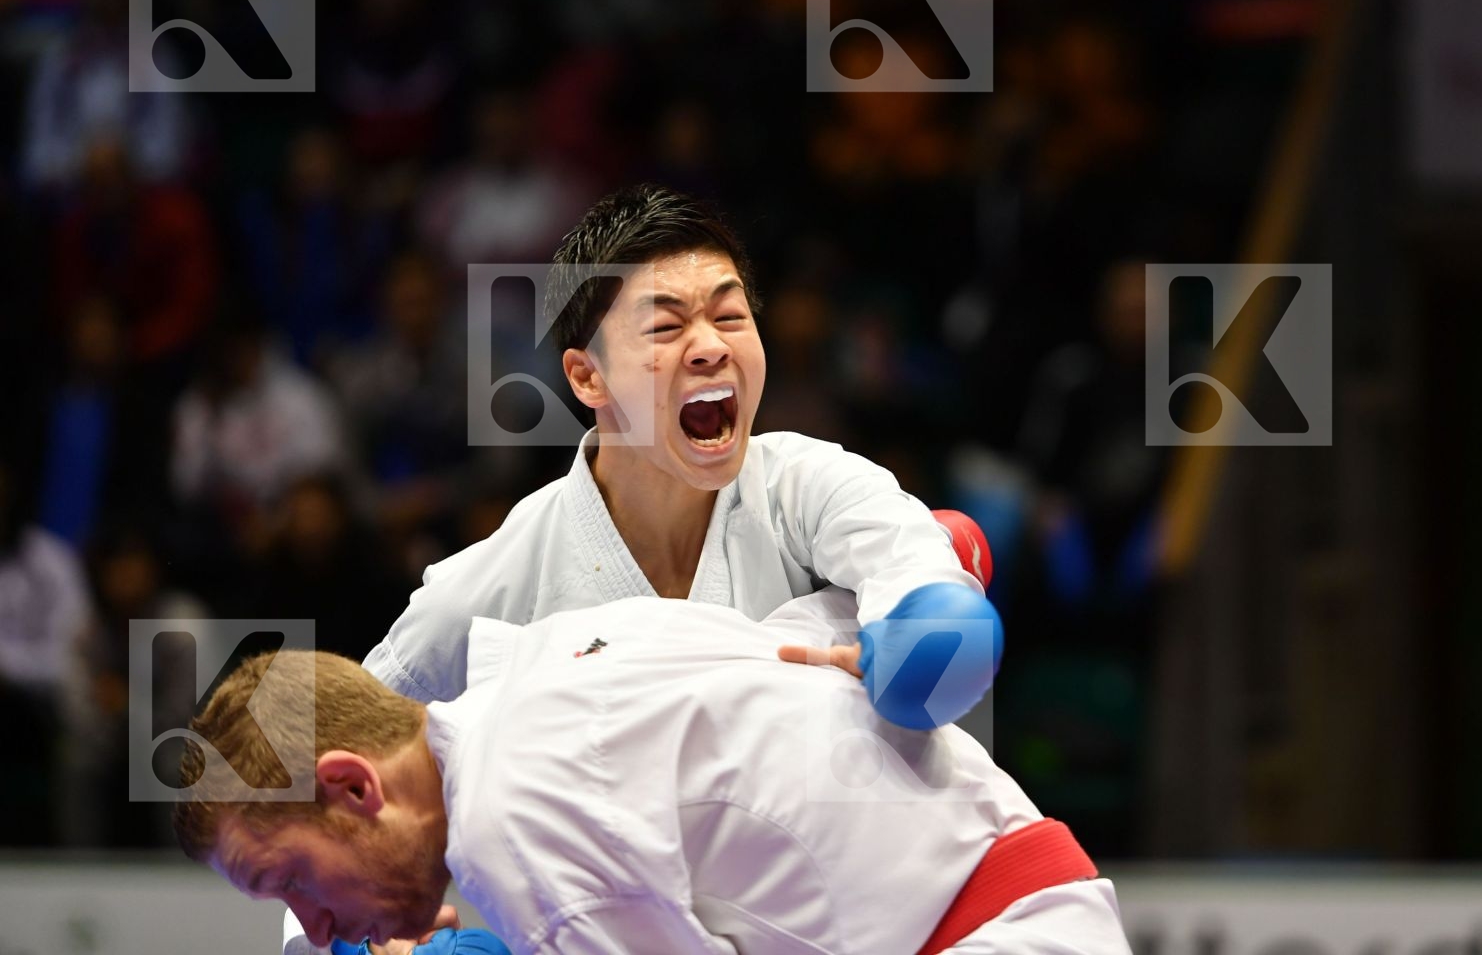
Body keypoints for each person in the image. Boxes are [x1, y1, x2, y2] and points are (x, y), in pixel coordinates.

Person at [275, 184, 1000, 953]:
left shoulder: (809, 486)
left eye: (730, 316)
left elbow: (938, 607)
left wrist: (919, 649)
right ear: (588, 378)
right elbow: (328, 780)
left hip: (868, 915)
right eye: (666, 326)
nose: (710, 345)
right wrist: (359, 938)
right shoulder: (485, 592)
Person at [174, 588, 1127, 954]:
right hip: (1017, 892)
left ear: (353, 787)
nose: (315, 927)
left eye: (289, 881)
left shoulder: (509, 819)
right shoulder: (554, 650)